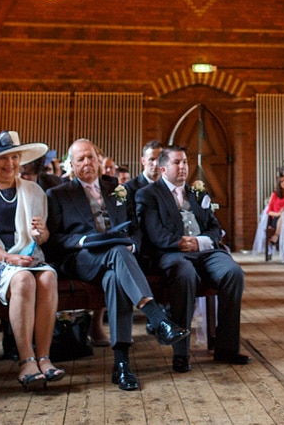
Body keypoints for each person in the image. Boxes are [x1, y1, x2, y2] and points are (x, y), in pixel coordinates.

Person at [45, 138, 188, 390]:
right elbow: (54, 239)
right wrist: (82, 241)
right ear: (71, 164)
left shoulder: (116, 189)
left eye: (91, 156)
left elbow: (134, 227)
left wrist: (132, 244)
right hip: (82, 258)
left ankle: (122, 364)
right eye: (81, 159)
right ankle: (157, 318)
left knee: (115, 274)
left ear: (99, 159)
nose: (87, 162)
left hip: (117, 258)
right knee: (119, 254)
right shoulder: (58, 194)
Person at [0, 130, 64, 390]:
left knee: (49, 277)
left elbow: (42, 237)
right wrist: (7, 257)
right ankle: (26, 360)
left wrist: (41, 233)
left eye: (15, 158)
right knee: (23, 281)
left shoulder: (33, 190)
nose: (10, 164)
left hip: (26, 254)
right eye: (3, 159)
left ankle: (44, 357)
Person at [136, 145, 248, 371]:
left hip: (205, 252)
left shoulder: (198, 193)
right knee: (184, 275)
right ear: (163, 167)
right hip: (171, 254)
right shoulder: (148, 194)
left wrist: (200, 242)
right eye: (177, 162)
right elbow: (154, 233)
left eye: (185, 162)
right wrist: (178, 243)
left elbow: (216, 229)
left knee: (233, 273)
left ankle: (226, 348)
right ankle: (181, 353)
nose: (183, 167)